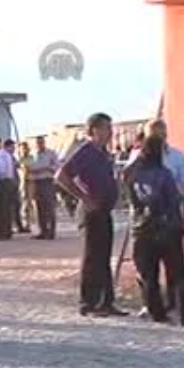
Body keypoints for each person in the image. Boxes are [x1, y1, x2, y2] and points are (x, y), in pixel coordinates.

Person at [56, 113, 127, 317]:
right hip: (90, 210)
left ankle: (106, 302)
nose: (110, 133)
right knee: (91, 257)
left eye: (110, 128)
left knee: (104, 256)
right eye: (106, 128)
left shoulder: (103, 153)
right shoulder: (85, 151)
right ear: (93, 130)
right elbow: (61, 176)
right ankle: (88, 302)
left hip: (104, 210)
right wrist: (84, 197)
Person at [124, 134, 184, 326]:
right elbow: (174, 200)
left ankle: (156, 312)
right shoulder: (164, 173)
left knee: (148, 274)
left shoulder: (133, 174)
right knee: (177, 273)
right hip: (167, 227)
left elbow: (130, 197)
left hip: (142, 228)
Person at [28, 136, 60, 239]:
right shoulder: (31, 155)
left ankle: (51, 231)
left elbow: (57, 167)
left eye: (41, 142)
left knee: (49, 206)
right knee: (38, 207)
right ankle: (42, 230)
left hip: (47, 181)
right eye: (37, 143)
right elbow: (27, 167)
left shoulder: (51, 153)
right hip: (35, 181)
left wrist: (47, 168)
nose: (39, 145)